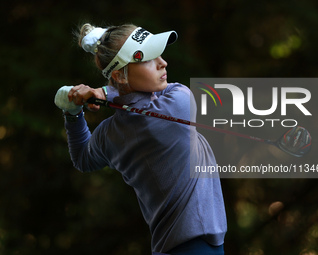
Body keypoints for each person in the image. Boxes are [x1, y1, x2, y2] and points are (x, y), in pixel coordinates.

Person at [54, 23, 227, 255]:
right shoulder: (177, 105)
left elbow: (83, 158)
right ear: (119, 75)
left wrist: (72, 113)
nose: (162, 63)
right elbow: (148, 98)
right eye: (148, 58)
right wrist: (104, 92)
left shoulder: (109, 133)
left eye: (159, 54)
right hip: (198, 247)